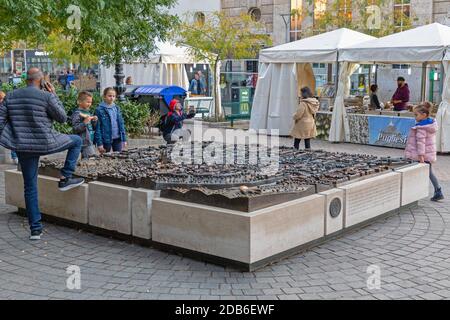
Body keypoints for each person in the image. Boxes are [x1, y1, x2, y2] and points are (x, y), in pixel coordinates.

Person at [0, 67, 84, 240]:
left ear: (26, 80)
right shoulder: (46, 96)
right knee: (77, 141)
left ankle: (35, 230)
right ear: (42, 80)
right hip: (46, 142)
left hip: (23, 146)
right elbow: (62, 118)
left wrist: (12, 138)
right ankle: (65, 177)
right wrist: (53, 94)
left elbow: (1, 122)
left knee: (30, 186)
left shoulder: (11, 96)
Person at [405, 102, 444, 202]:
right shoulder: (430, 124)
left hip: (421, 156)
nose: (415, 117)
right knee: (429, 173)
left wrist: (421, 156)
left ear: (424, 115)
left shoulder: (421, 127)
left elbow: (421, 143)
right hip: (428, 154)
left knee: (418, 172)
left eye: (416, 115)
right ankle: (438, 191)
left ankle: (413, 193)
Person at [94, 87, 127, 153]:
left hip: (117, 138)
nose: (112, 98)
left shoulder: (117, 108)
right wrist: (99, 143)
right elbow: (97, 128)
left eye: (113, 96)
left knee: (118, 157)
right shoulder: (99, 110)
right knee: (105, 158)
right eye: (109, 96)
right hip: (105, 140)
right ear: (104, 96)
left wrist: (124, 139)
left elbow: (121, 124)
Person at [71, 91, 98, 159]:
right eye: (88, 102)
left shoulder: (88, 112)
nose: (89, 104)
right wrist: (84, 123)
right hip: (84, 141)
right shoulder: (77, 113)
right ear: (79, 102)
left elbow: (93, 128)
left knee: (86, 159)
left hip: (89, 140)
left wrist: (94, 121)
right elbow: (75, 128)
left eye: (90, 102)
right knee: (91, 158)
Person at [0, 90, 18, 164]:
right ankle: (15, 157)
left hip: (7, 126)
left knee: (12, 141)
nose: (2, 100)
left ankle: (15, 157)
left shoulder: (6, 103)